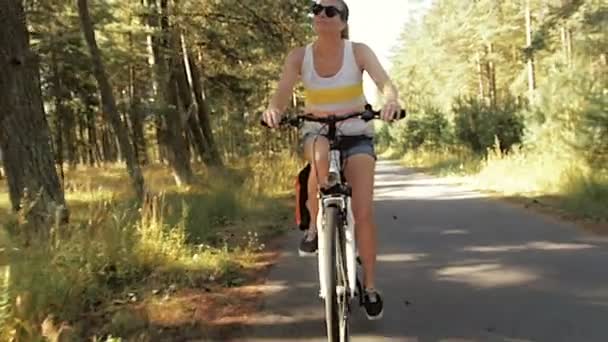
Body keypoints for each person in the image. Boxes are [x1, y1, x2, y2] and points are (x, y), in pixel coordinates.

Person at [261, 0, 402, 320]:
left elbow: (384, 83)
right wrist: (274, 110)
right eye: (316, 9)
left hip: (357, 134)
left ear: (343, 22)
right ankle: (314, 227)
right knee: (319, 154)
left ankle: (369, 287)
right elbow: (283, 91)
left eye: (330, 11)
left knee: (364, 211)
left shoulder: (358, 51)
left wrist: (391, 101)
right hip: (318, 132)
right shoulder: (299, 56)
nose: (321, 15)